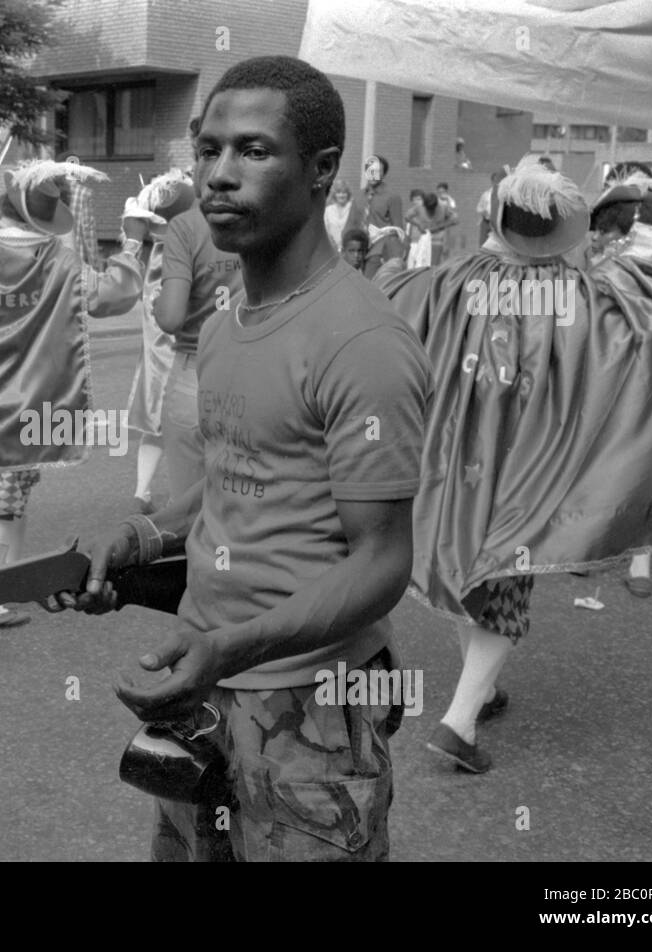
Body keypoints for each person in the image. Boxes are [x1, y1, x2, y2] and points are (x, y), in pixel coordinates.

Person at [57, 56, 431, 863]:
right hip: (198, 698)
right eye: (209, 150)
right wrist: (139, 541)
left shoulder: (362, 342)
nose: (219, 176)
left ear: (321, 169)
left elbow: (383, 559)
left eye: (253, 151)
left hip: (312, 707)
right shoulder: (225, 325)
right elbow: (229, 483)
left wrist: (232, 648)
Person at [381, 158, 652, 774]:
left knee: (472, 575)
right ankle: (459, 723)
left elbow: (390, 304)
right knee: (504, 580)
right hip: (529, 468)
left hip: (454, 463)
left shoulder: (450, 280)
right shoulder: (582, 297)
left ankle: (478, 691)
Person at [0, 159, 147, 631]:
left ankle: (6, 585)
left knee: (7, 500)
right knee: (4, 503)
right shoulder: (59, 263)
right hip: (34, 408)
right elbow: (112, 296)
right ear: (42, 218)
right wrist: (131, 245)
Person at [588, 178, 652, 599]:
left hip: (617, 381)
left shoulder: (609, 271)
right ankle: (640, 561)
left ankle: (594, 549)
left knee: (606, 461)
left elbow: (593, 330)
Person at [152, 177, 244, 499]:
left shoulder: (186, 227)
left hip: (196, 371)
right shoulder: (260, 221)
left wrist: (157, 305)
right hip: (255, 373)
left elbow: (171, 317)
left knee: (188, 512)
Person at [125, 170, 194, 513]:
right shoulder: (188, 246)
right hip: (185, 352)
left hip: (158, 353)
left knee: (155, 422)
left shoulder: (156, 251)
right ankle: (182, 497)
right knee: (187, 426)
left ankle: (142, 492)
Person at [347, 153, 406, 278]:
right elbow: (350, 224)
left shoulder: (392, 197)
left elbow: (399, 230)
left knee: (370, 280)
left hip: (380, 250)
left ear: (383, 174)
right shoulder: (359, 197)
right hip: (359, 248)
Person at [405, 191, 456, 267]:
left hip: (436, 241)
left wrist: (439, 227)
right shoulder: (419, 207)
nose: (430, 212)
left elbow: (455, 219)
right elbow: (407, 217)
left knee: (433, 266)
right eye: (428, 209)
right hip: (422, 240)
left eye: (432, 209)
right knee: (420, 265)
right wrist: (419, 225)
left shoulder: (443, 207)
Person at [476, 169, 506, 246]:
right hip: (486, 221)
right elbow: (479, 208)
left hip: (498, 223)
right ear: (492, 181)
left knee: (499, 245)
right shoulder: (486, 194)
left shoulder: (504, 195)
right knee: (483, 244)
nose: (497, 183)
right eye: (495, 181)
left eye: (499, 181)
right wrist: (483, 211)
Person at [323, 180, 352, 251]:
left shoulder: (353, 208)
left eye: (344, 193)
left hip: (350, 249)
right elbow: (326, 231)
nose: (341, 195)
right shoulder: (328, 210)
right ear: (334, 195)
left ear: (348, 194)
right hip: (333, 250)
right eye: (338, 193)